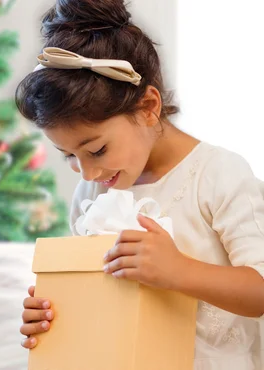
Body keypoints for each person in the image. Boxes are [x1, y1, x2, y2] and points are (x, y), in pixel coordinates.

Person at [15, 0, 264, 369]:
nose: (85, 173)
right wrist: (54, 311)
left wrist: (179, 271)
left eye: (96, 149)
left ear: (148, 106)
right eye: (68, 155)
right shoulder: (93, 193)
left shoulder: (218, 175)